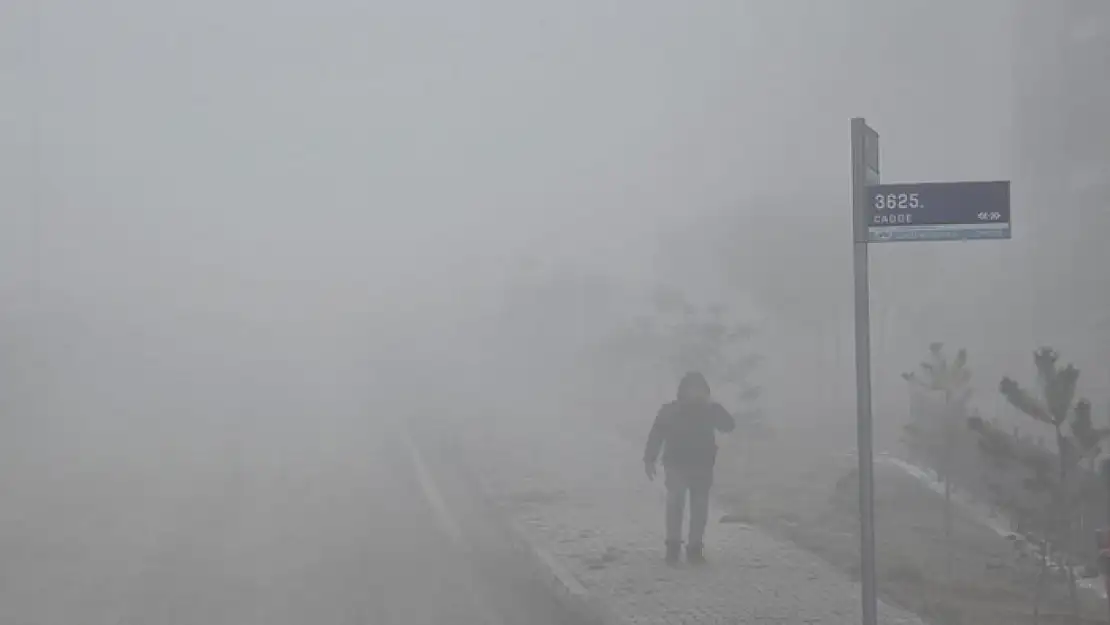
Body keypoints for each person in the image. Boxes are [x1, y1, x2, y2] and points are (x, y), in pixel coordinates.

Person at [643, 371, 735, 564]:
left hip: (702, 466)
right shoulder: (670, 410)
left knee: (699, 508)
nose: (696, 393)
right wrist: (649, 459)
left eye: (700, 389)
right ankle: (673, 547)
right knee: (675, 503)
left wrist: (716, 408)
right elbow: (656, 435)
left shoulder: (711, 410)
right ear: (683, 391)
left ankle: (695, 548)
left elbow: (729, 426)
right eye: (692, 388)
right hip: (675, 465)